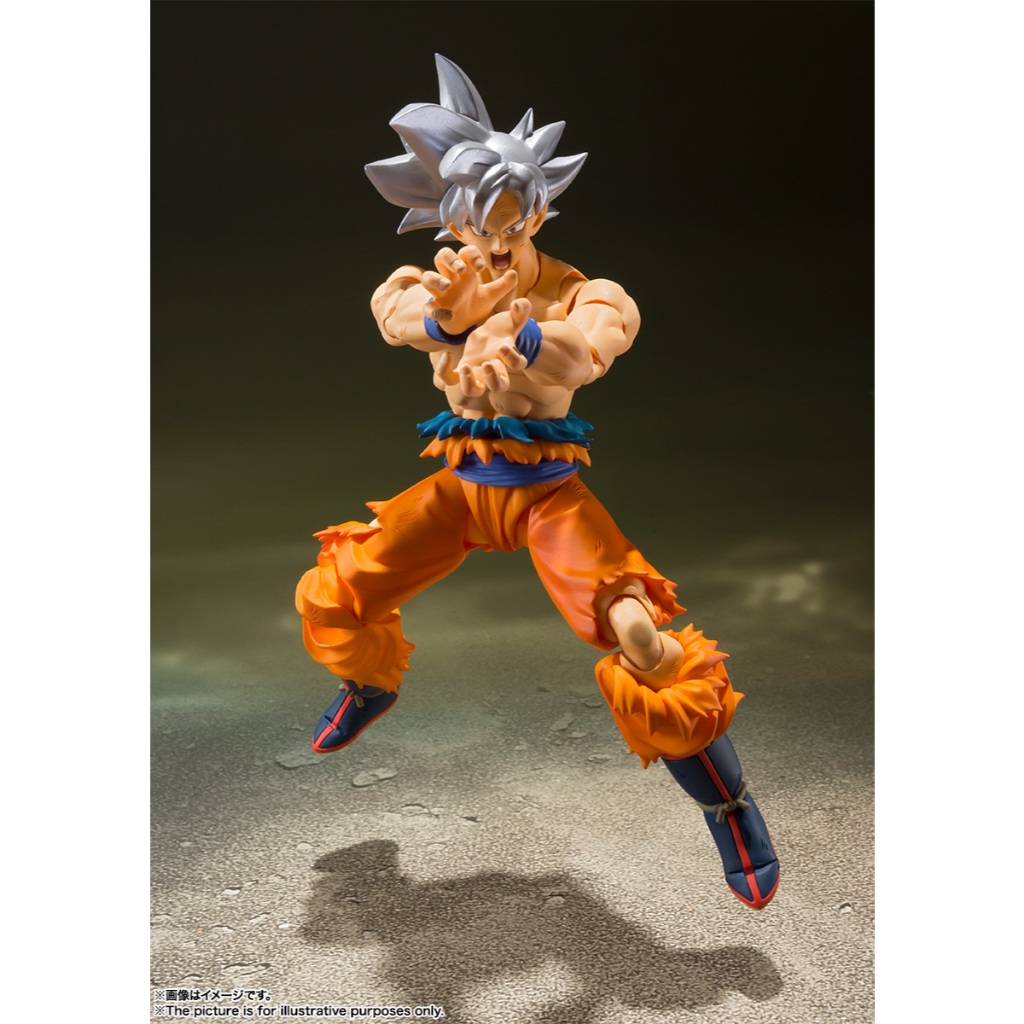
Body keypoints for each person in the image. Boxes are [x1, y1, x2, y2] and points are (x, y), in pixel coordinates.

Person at [295, 55, 779, 909]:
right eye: (475, 227)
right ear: (452, 218)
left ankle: (729, 807)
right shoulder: (439, 277)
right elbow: (396, 315)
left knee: (640, 635)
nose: (493, 244)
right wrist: (450, 317)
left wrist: (520, 339)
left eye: (510, 225)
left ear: (537, 211)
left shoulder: (585, 293)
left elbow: (589, 352)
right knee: (340, 587)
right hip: (460, 485)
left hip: (547, 494)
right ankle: (369, 684)